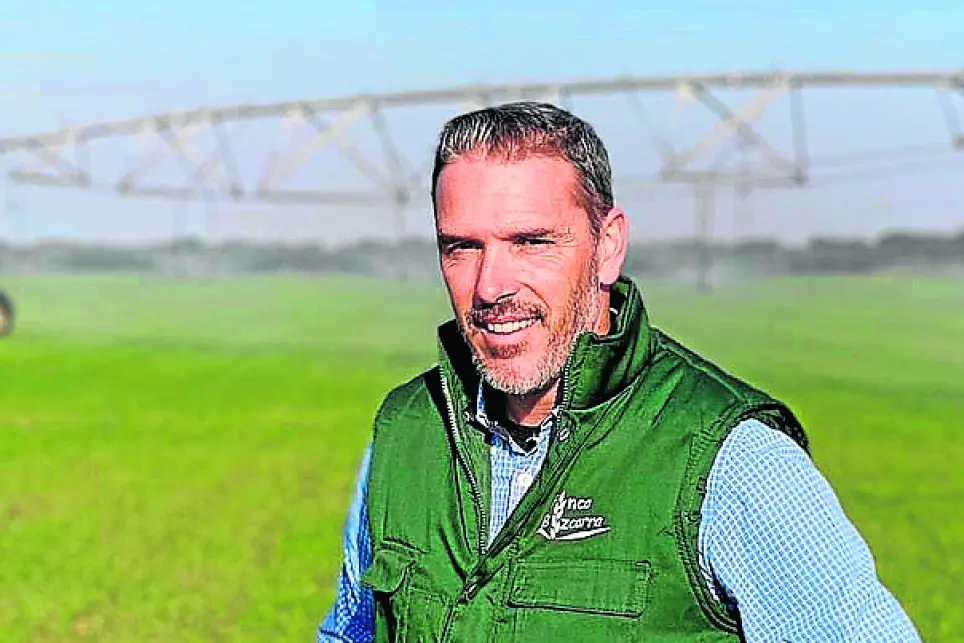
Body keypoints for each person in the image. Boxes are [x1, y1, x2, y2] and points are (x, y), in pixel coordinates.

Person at [317, 101, 921, 642]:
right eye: (462, 247)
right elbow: (350, 632)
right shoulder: (406, 433)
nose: (491, 286)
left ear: (608, 246)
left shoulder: (730, 459)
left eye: (531, 242)